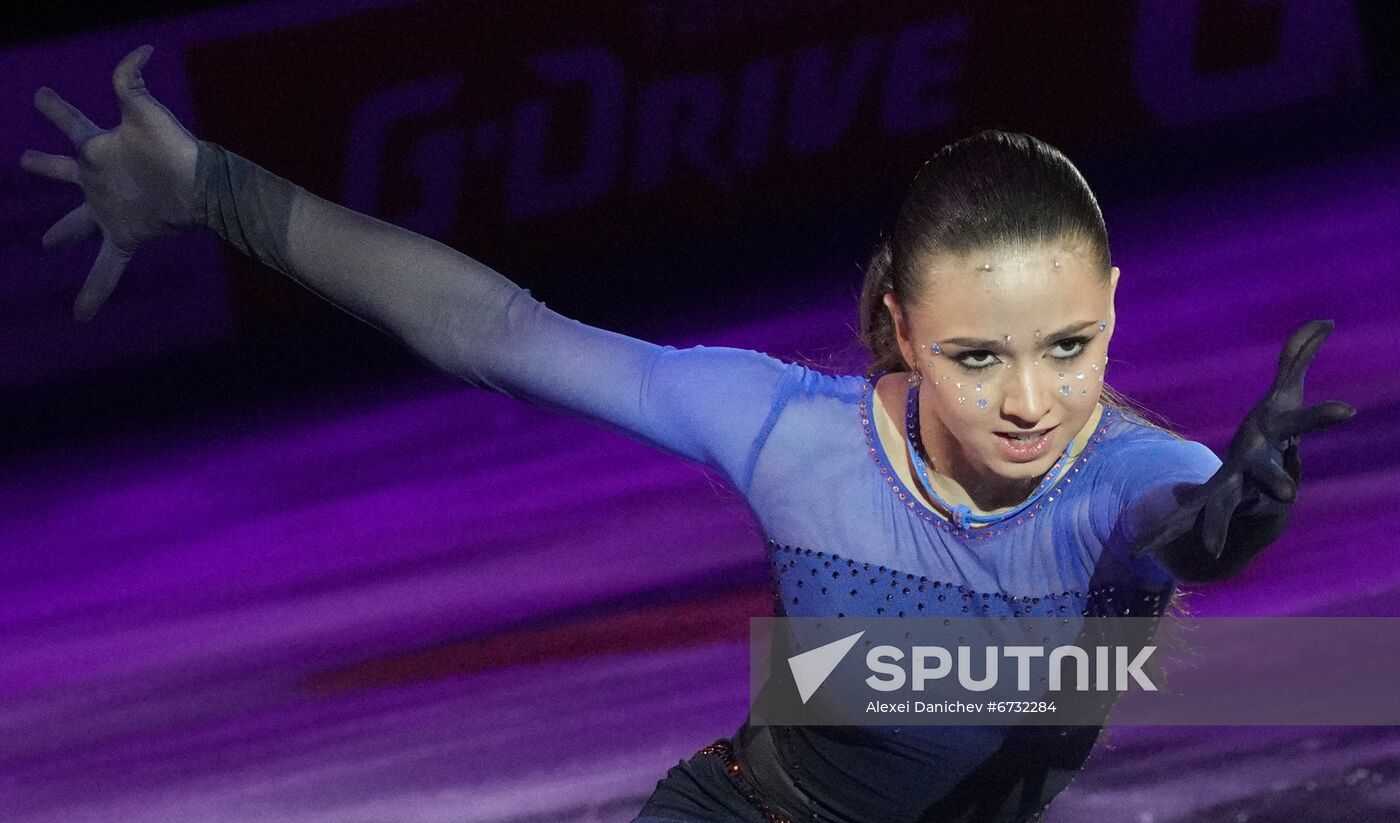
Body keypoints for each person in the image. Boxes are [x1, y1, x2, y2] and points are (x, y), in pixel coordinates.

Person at [20, 46, 1354, 823]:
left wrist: (1244, 510)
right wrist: (221, 191)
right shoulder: (786, 430)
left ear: (1112, 313)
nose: (1028, 401)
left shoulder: (1133, 473)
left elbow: (1193, 521)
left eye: (1069, 348)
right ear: (898, 321)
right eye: (975, 355)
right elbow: (498, 331)